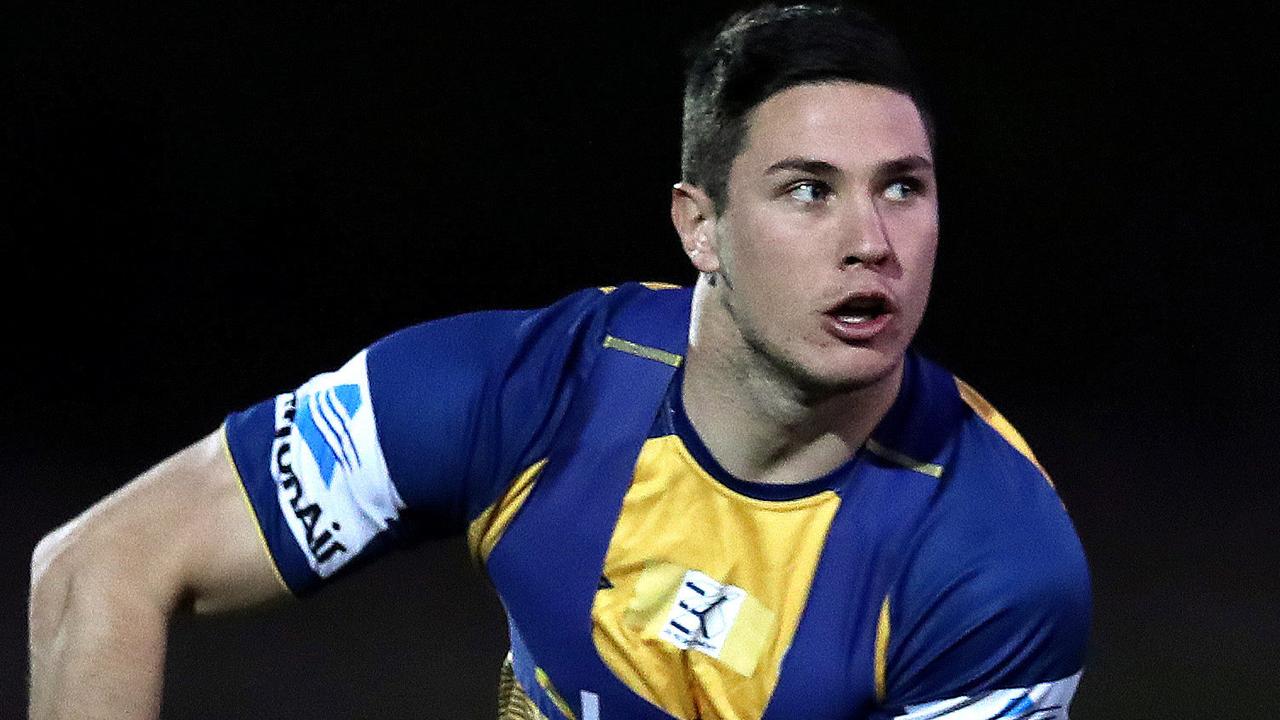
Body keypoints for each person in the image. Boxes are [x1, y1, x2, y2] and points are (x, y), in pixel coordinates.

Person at [28, 4, 1091, 719]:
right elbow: (96, 568)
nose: (872, 240)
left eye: (902, 186)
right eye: (807, 189)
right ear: (700, 226)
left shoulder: (992, 563)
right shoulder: (521, 393)